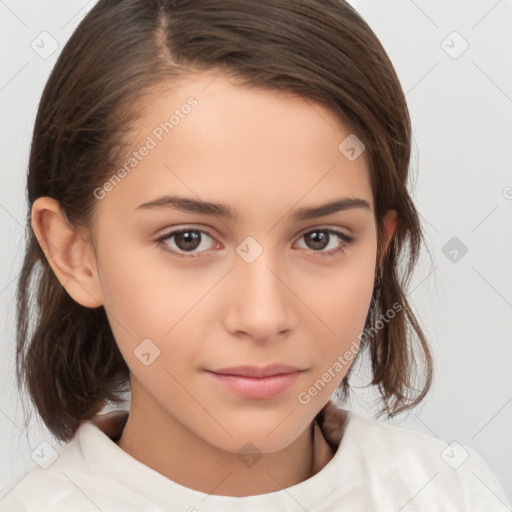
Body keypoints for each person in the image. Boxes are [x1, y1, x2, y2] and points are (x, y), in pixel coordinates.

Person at [1, 0, 509, 510]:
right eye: (188, 239)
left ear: (380, 249)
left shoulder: (451, 494)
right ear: (74, 254)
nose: (263, 317)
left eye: (320, 238)